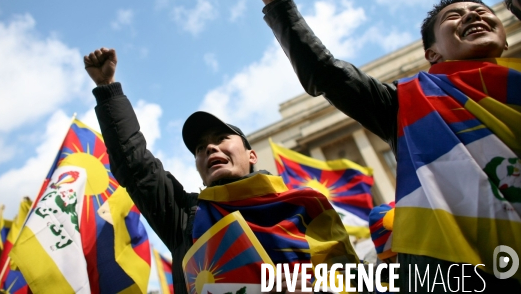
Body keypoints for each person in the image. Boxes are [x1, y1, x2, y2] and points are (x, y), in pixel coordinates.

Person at [249, 0, 521, 293]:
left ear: (506, 37)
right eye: (455, 16)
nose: (472, 16)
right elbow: (327, 73)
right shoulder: (405, 102)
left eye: (482, 12)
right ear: (432, 53)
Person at [84, 48, 359, 294]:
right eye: (201, 148)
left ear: (252, 155)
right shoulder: (186, 217)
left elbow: (355, 280)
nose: (210, 148)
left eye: (220, 138)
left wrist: (319, 287)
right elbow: (137, 167)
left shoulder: (307, 205)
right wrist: (107, 89)